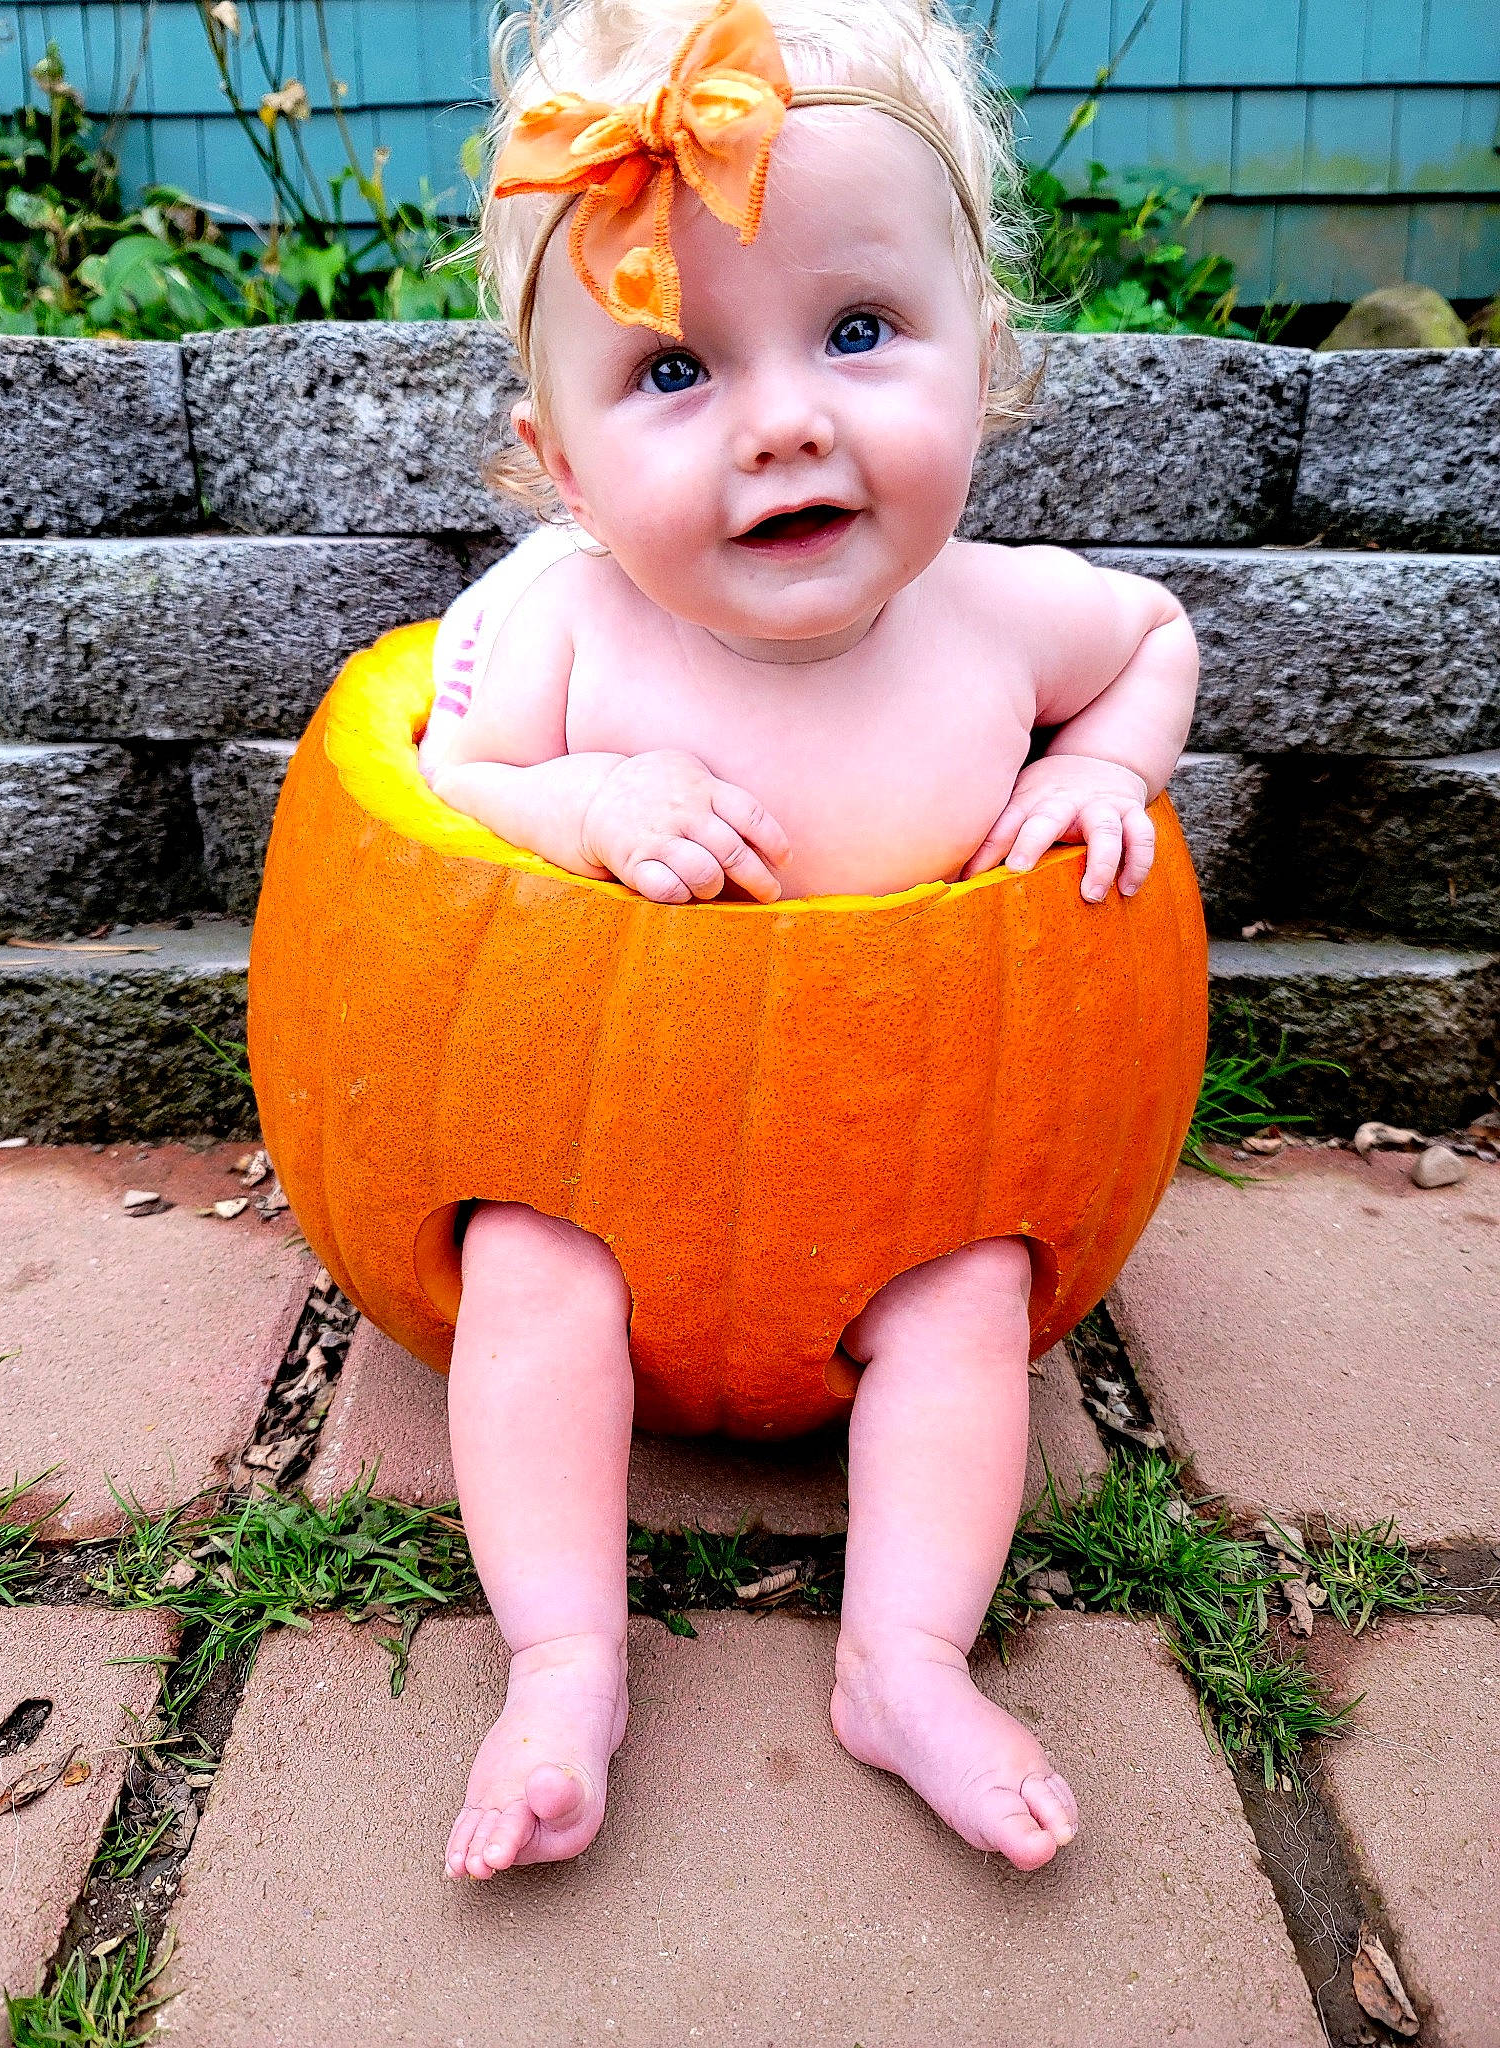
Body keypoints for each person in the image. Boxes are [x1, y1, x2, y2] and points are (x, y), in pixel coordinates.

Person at [419, 0, 1197, 1884]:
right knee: (525, 1277)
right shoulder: (574, 639)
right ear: (561, 460)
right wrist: (587, 805)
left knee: (971, 1306)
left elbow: (1157, 636)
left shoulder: (1006, 625)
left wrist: (1103, 768)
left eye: (858, 333)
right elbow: (446, 792)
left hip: (903, 1175)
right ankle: (562, 1664)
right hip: (617, 1166)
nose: (785, 419)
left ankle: (905, 1656)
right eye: (675, 369)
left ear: (983, 357)